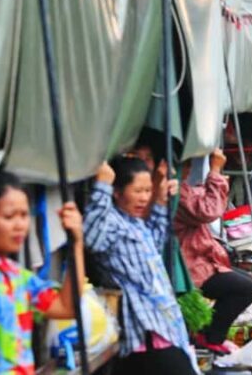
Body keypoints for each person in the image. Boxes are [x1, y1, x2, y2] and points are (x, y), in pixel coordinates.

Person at [83, 158, 196, 375]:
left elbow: (155, 240)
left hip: (165, 327)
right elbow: (91, 238)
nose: (144, 198)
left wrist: (161, 201)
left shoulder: (133, 222)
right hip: (147, 333)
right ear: (117, 192)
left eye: (147, 190)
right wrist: (102, 187)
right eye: (138, 191)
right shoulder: (110, 222)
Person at [0, 171, 85, 374]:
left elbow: (67, 307)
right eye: (9, 216)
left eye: (24, 215)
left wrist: (76, 245)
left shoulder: (18, 277)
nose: (20, 226)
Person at [175, 148, 252, 355]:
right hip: (187, 265)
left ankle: (209, 333)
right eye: (185, 165)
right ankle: (210, 336)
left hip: (199, 259)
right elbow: (208, 210)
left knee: (244, 281)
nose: (188, 169)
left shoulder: (180, 189)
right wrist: (216, 171)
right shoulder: (173, 192)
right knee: (244, 288)